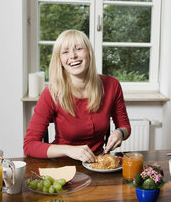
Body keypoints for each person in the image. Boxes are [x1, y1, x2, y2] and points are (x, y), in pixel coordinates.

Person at [24, 29, 131, 163]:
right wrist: (68, 150)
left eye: (79, 48)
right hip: (63, 164)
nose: (73, 56)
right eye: (65, 52)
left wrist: (120, 132)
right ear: (60, 61)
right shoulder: (51, 93)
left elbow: (125, 126)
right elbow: (29, 145)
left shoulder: (111, 85)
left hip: (98, 163)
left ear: (89, 53)